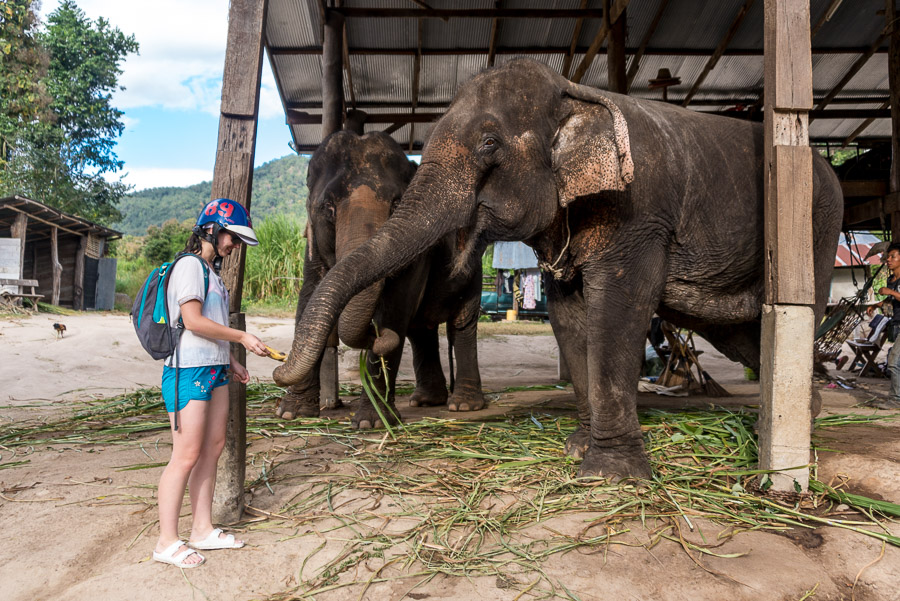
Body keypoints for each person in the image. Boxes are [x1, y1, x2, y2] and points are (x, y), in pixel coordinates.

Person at [152, 198, 270, 568]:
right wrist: (241, 338)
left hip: (214, 368)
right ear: (210, 229)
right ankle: (166, 542)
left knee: (213, 448)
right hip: (188, 370)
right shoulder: (188, 267)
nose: (233, 246)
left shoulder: (212, 273)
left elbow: (210, 330)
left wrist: (231, 360)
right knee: (185, 454)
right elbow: (192, 321)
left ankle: (202, 528)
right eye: (231, 237)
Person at [866, 242, 900, 408]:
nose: (889, 260)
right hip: (897, 323)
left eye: (893, 257)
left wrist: (890, 292)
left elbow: (894, 295)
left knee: (893, 361)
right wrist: (876, 305)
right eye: (888, 257)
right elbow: (890, 302)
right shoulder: (891, 279)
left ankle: (895, 400)